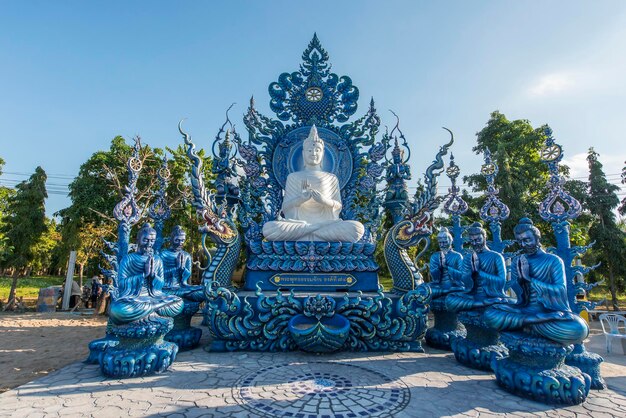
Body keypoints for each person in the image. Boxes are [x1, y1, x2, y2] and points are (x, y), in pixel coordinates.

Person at [484, 218, 589, 345]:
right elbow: (519, 295)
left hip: (549, 311)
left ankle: (529, 322)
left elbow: (560, 289)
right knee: (490, 314)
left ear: (537, 238)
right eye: (520, 241)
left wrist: (530, 280)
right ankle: (534, 320)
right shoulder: (518, 261)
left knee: (578, 329)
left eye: (527, 240)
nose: (523, 245)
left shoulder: (553, 260)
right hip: (528, 310)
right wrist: (521, 282)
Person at [262, 125, 365, 242]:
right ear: (303, 153)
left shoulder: (331, 178)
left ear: (323, 153)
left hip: (324, 225)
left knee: (357, 228)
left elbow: (338, 207)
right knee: (269, 228)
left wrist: (324, 201)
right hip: (302, 225)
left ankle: (308, 232)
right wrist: (300, 199)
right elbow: (285, 208)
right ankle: (316, 231)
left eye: (317, 150)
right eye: (310, 150)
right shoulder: (293, 177)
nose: (313, 153)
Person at [109, 223, 183, 325]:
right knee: (117, 310)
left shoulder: (157, 259)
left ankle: (150, 308)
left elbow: (161, 284)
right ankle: (154, 308)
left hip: (153, 296)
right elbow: (122, 284)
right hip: (134, 298)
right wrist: (143, 275)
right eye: (146, 240)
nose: (149, 244)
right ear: (138, 240)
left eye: (152, 241)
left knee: (178, 302)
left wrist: (153, 276)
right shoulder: (128, 259)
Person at [445, 222, 509, 312]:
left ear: (485, 238)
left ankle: (485, 303)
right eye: (472, 241)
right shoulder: (468, 257)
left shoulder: (496, 257)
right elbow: (464, 282)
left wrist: (479, 272)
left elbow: (502, 281)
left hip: (491, 294)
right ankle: (483, 303)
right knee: (450, 299)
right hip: (473, 295)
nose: (474, 243)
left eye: (478, 240)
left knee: (504, 307)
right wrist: (471, 273)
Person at [160, 226, 204, 302]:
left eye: (182, 240)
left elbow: (187, 277)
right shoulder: (163, 254)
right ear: (171, 239)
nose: (180, 243)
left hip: (181, 287)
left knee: (202, 291)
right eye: (177, 240)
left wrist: (182, 268)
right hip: (166, 288)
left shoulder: (186, 255)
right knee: (165, 294)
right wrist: (176, 268)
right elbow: (159, 276)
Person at [429, 227, 465, 299]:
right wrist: (439, 268)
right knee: (422, 289)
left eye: (445, 242)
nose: (442, 245)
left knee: (461, 290)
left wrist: (447, 267)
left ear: (451, 241)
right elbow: (433, 276)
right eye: (440, 243)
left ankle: (447, 292)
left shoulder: (457, 256)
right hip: (438, 286)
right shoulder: (435, 256)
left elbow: (462, 275)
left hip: (454, 286)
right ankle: (445, 292)